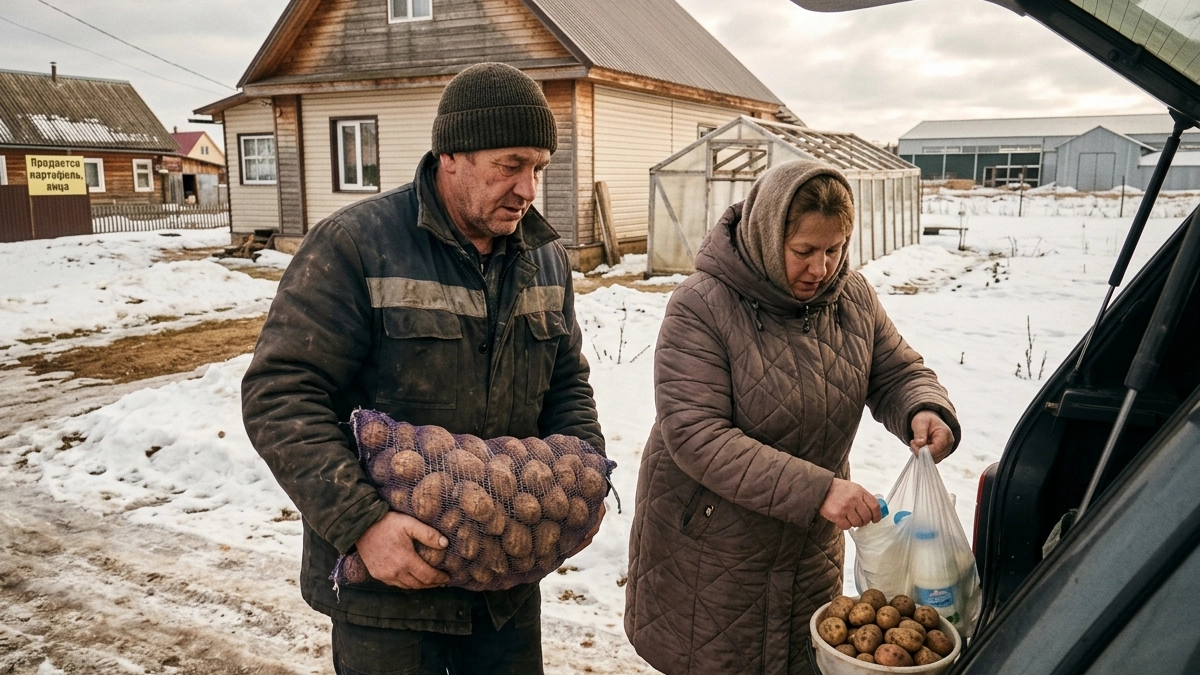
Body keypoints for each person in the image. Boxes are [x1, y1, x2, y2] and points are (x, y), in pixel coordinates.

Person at [242, 62, 605, 675]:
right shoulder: (354, 245)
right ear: (451, 156)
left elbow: (566, 382)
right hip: (390, 599)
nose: (527, 189)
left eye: (538, 167)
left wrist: (581, 480)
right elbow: (281, 395)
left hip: (505, 591)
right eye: (509, 165)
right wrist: (363, 523)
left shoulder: (544, 260)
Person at [624, 159, 960, 675]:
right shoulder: (701, 305)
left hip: (807, 549)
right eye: (804, 251)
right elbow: (697, 434)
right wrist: (819, 491)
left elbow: (896, 371)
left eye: (835, 249)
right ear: (765, 235)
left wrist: (924, 407)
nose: (821, 268)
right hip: (713, 552)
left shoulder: (851, 298)